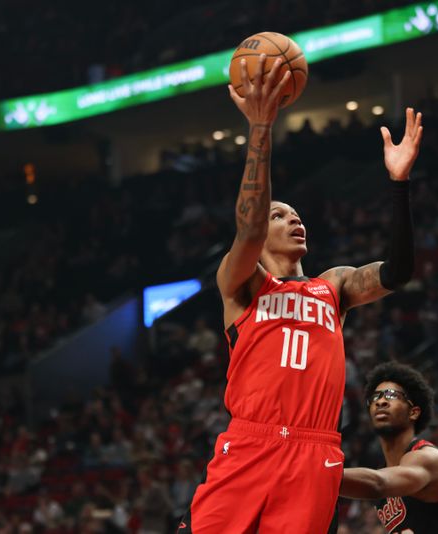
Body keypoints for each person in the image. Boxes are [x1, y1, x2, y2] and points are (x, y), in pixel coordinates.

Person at [179, 54, 422, 533]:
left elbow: (398, 271)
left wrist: (399, 185)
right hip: (251, 442)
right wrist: (261, 130)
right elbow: (247, 228)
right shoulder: (242, 283)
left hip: (316, 449)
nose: (293, 219)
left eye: (295, 214)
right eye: (279, 215)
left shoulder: (333, 286)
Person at [339, 362, 438, 533]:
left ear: (413, 412)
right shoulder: (384, 474)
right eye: (375, 397)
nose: (381, 402)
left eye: (391, 395)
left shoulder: (428, 458)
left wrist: (315, 473)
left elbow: (378, 483)